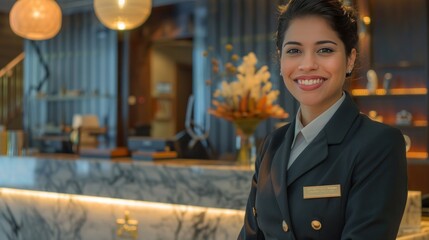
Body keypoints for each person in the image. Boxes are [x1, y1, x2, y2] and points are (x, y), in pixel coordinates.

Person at [238, 0, 408, 239]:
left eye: (325, 50)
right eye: (294, 51)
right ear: (281, 60)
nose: (307, 65)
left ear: (350, 59)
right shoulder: (272, 144)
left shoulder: (379, 144)